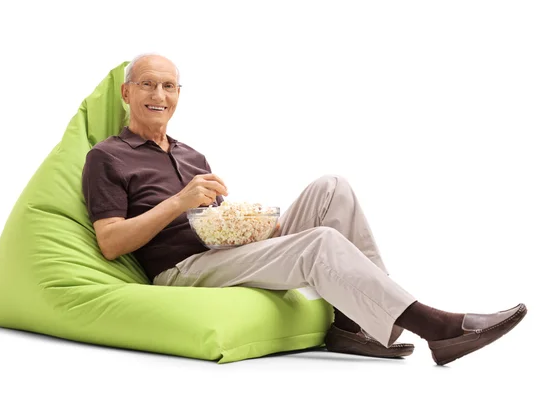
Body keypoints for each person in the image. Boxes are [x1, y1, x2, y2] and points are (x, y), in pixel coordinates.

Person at [82, 53, 527, 365]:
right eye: (147, 84)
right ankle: (438, 328)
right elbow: (110, 242)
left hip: (217, 251)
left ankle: (354, 327)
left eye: (168, 85)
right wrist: (178, 203)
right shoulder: (108, 156)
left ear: (179, 93)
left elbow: (214, 221)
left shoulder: (191, 154)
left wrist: (251, 226)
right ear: (126, 92)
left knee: (332, 187)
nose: (159, 94)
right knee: (319, 244)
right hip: (182, 268)